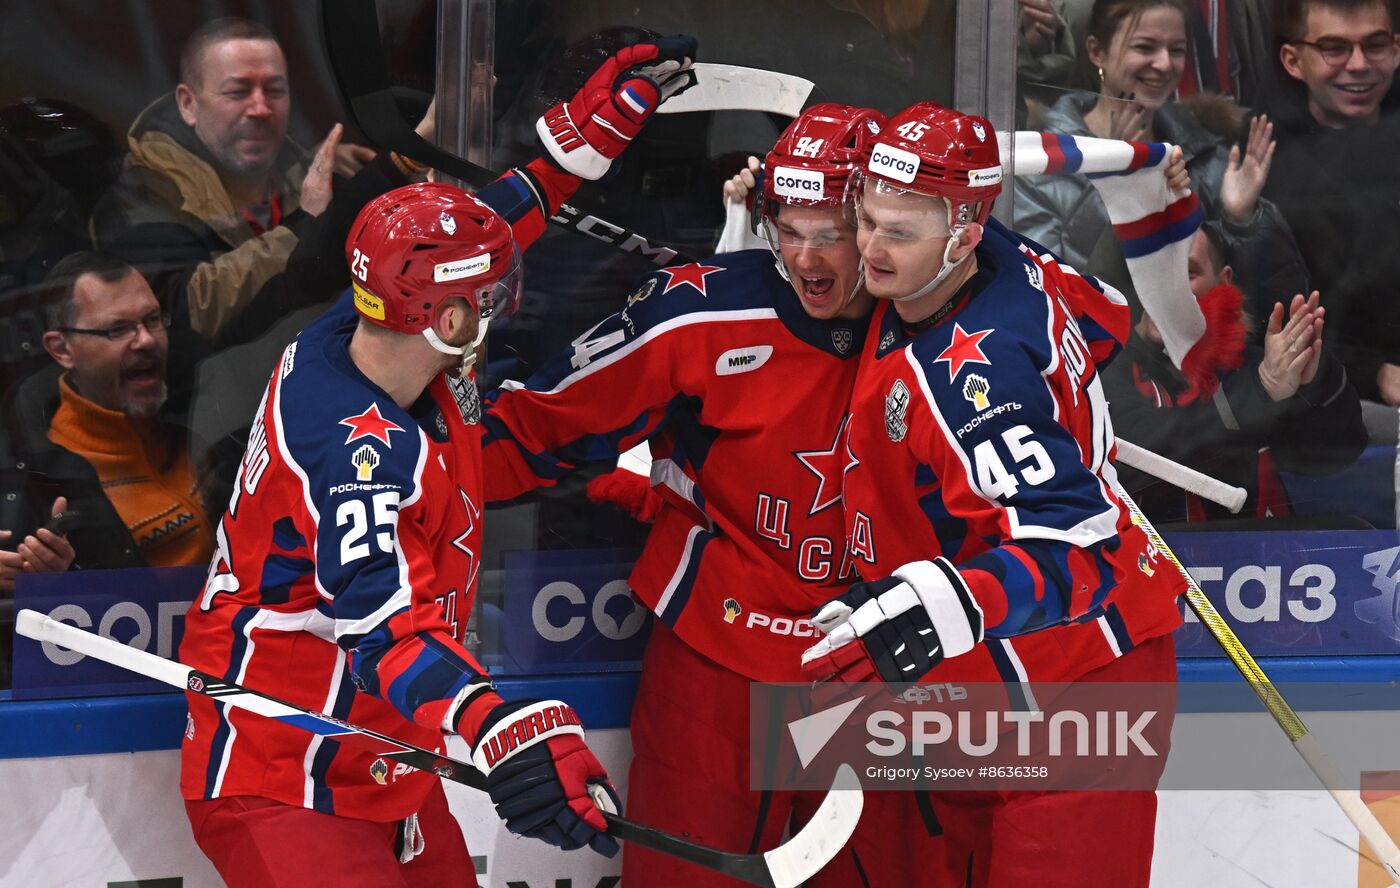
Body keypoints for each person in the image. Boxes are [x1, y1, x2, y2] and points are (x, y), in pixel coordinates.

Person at [175, 35, 698, 886]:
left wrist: (570, 154)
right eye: (492, 295)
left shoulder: (364, 329)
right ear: (450, 321)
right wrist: (505, 727)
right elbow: (387, 634)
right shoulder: (356, 457)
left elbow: (482, 229)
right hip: (288, 778)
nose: (507, 298)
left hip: (389, 760)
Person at [481, 104, 947, 886]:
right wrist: (396, 468)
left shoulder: (953, 320)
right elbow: (539, 425)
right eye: (786, 228)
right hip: (718, 663)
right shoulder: (699, 310)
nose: (804, 257)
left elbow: (1095, 324)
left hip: (872, 676)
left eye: (829, 230)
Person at [801, 102, 1187, 887]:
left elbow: (1073, 544)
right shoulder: (1010, 262)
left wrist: (942, 601)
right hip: (994, 669)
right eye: (866, 220)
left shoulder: (974, 381)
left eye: (898, 234)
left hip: (1081, 675)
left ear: (966, 234)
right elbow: (1105, 318)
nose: (870, 249)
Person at [89, 16, 401, 346]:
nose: (260, 108)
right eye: (238, 92)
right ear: (188, 104)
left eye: (275, 91)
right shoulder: (141, 193)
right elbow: (189, 312)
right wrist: (307, 224)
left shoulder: (308, 176)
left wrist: (392, 171)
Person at [1014, 0, 1309, 313]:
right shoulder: (1042, 160)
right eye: (1145, 47)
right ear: (1096, 51)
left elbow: (1281, 301)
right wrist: (1111, 186)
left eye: (1177, 50)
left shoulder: (1204, 153)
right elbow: (1045, 298)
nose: (1165, 64)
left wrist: (1243, 221)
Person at [1104, 224, 1366, 523]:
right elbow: (1138, 455)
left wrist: (1314, 381)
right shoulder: (1107, 367)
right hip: (1153, 566)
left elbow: (1337, 455)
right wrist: (1259, 393)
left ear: (1223, 281)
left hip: (1268, 565)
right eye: (1154, 273)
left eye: (1187, 274)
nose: (1167, 288)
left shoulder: (1256, 368)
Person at [5, 251, 213, 570]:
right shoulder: (40, 474)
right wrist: (61, 577)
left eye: (153, 320)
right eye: (117, 330)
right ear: (62, 349)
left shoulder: (205, 404)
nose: (145, 340)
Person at [1262, 0, 1400, 435]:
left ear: (1396, 49)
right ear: (1293, 60)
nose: (1358, 65)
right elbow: (1273, 318)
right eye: (1334, 48)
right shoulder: (1265, 172)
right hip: (1344, 406)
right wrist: (1374, 372)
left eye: (1374, 45)